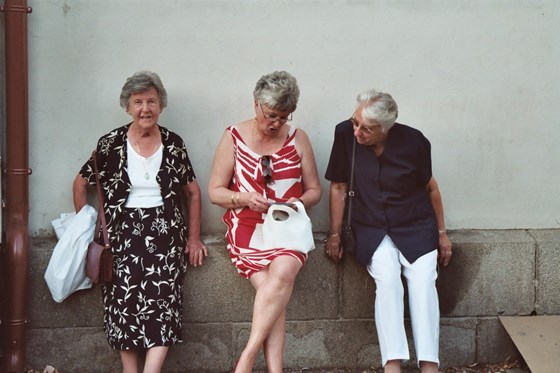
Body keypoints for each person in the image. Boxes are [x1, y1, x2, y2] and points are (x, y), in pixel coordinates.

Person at [72, 71, 208, 373]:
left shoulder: (173, 143)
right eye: (138, 102)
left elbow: (193, 193)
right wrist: (83, 231)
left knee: (164, 302)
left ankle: (152, 370)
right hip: (120, 237)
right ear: (127, 107)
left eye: (151, 101)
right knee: (123, 304)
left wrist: (194, 238)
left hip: (166, 234)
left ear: (161, 105)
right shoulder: (110, 144)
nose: (145, 108)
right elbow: (81, 184)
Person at [324, 89, 452, 373]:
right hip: (371, 228)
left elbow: (431, 187)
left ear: (386, 128)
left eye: (366, 129)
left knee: (423, 283)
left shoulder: (414, 141)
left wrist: (442, 233)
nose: (357, 131)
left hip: (416, 226)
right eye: (355, 121)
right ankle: (392, 363)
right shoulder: (345, 134)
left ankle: (430, 364)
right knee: (389, 281)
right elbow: (338, 186)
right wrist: (334, 235)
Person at [208, 71, 322, 373]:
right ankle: (275, 370)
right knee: (275, 291)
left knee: (281, 274)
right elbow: (214, 192)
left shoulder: (299, 139)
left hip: (288, 227)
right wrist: (242, 198)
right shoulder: (233, 136)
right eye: (271, 115)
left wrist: (296, 202)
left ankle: (246, 357)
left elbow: (315, 191)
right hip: (247, 227)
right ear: (257, 104)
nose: (276, 123)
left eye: (283, 117)